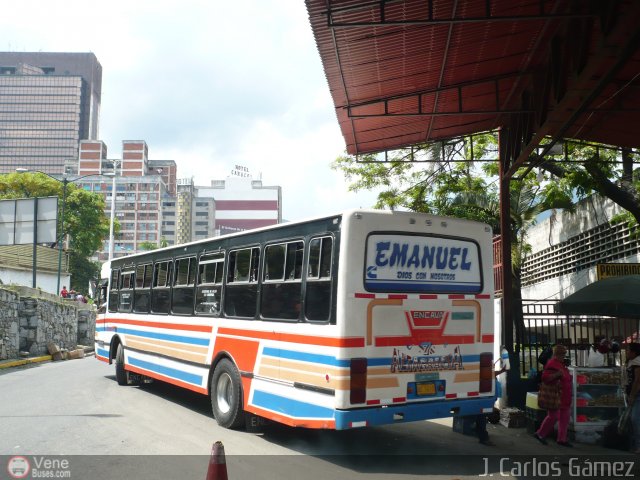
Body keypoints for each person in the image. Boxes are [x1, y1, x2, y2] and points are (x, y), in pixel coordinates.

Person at [533, 344, 573, 447]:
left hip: (564, 396)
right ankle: (540, 433)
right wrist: (557, 375)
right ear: (556, 354)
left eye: (564, 354)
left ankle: (562, 439)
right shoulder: (552, 364)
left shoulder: (561, 364)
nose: (563, 356)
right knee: (553, 416)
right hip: (556, 396)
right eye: (562, 354)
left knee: (565, 417)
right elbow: (545, 378)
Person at [625, 343, 640, 454]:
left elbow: (637, 381)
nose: (627, 352)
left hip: (637, 395)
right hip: (634, 395)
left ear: (634, 352)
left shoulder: (637, 363)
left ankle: (638, 446)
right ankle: (634, 445)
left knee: (635, 420)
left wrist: (632, 396)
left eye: (628, 350)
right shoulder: (632, 362)